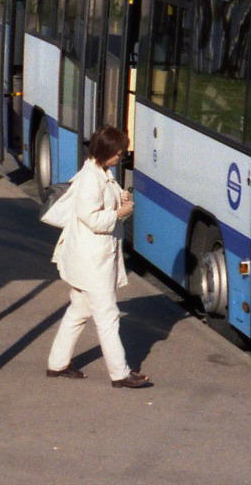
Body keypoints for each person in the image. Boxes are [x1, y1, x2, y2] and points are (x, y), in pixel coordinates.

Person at [46, 126, 151, 388]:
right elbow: (91, 218)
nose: (121, 156)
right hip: (92, 261)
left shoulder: (103, 172)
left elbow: (104, 206)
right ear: (106, 151)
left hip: (91, 258)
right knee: (108, 316)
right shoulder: (90, 179)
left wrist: (120, 201)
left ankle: (57, 365)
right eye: (118, 152)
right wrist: (118, 213)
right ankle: (120, 374)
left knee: (78, 311)